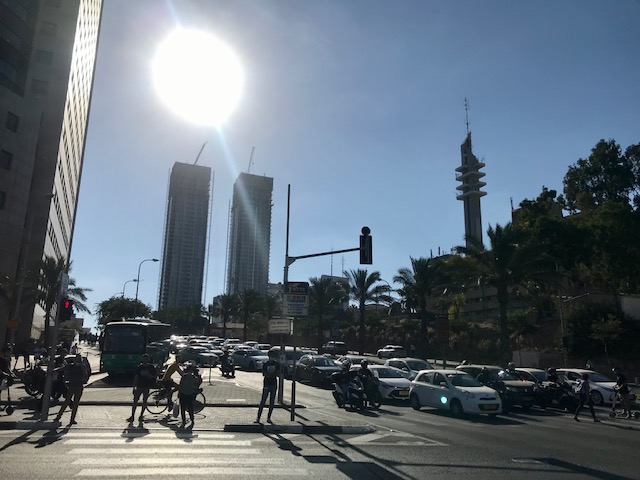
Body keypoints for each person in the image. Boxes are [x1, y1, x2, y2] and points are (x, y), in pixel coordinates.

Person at [54, 353, 88, 425]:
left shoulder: (71, 366)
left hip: (72, 385)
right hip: (78, 386)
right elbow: (85, 376)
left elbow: (61, 369)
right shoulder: (81, 366)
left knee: (67, 401)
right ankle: (71, 419)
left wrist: (54, 370)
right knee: (75, 403)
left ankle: (59, 417)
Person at [127, 354, 158, 423]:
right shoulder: (140, 367)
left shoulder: (151, 367)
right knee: (135, 401)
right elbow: (136, 377)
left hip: (146, 386)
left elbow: (156, 374)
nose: (145, 360)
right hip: (139, 386)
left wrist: (151, 377)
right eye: (144, 359)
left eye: (146, 359)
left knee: (144, 401)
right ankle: (133, 415)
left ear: (148, 359)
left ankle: (141, 415)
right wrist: (134, 387)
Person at [256, 350, 280, 423]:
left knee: (272, 402)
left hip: (273, 384)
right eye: (270, 356)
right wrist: (271, 374)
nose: (272, 357)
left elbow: (277, 373)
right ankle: (258, 418)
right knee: (263, 401)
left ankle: (269, 418)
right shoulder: (266, 364)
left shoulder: (277, 364)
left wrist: (270, 374)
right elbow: (264, 374)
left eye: (273, 356)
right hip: (266, 384)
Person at [177, 362, 201, 429]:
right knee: (190, 408)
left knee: (183, 409)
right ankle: (192, 420)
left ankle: (183, 421)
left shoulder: (184, 376)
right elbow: (198, 382)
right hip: (190, 394)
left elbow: (180, 385)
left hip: (183, 394)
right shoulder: (194, 377)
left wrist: (179, 393)